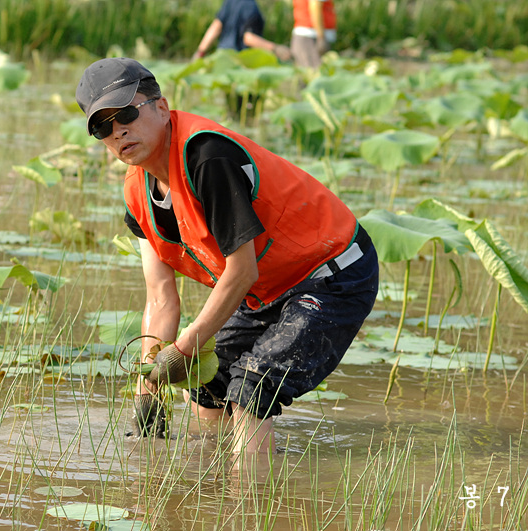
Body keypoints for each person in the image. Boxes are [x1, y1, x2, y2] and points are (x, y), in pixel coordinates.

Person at [75, 58, 378, 454]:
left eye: (126, 113)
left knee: (253, 385)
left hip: (331, 273)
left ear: (161, 108)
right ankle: (214, 493)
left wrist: (183, 348)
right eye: (104, 126)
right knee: (207, 387)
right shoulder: (137, 196)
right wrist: (148, 383)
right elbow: (160, 297)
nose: (119, 131)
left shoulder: (207, 157)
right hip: (264, 289)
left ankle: (245, 511)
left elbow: (240, 270)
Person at [193, 0, 291, 62]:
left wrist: (200, 52)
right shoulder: (251, 7)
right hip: (240, 60)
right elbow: (249, 38)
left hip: (222, 57)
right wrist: (275, 48)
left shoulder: (229, 2)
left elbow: (216, 27)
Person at [291, 0, 337, 69]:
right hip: (310, 37)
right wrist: (321, 37)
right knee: (314, 72)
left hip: (308, 35)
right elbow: (315, 5)